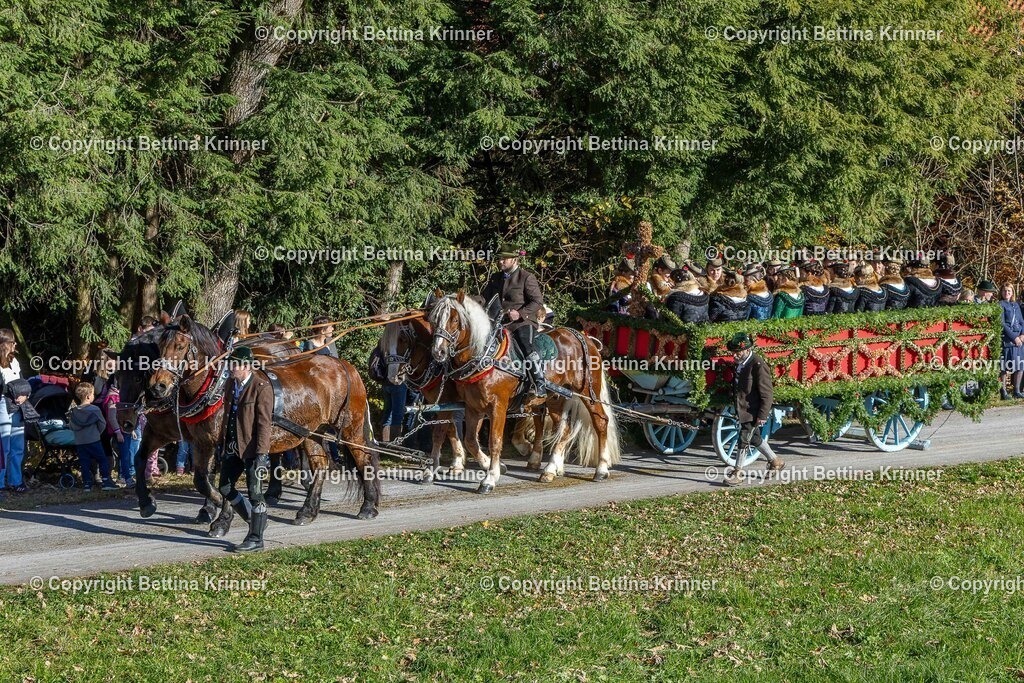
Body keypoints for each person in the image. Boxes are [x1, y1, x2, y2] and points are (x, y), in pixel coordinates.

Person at [217, 346, 274, 551]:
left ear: (247, 366)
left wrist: (262, 454)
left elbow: (264, 424)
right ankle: (253, 518)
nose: (231, 368)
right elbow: (226, 416)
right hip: (233, 445)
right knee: (224, 486)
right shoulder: (230, 384)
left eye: (235, 364)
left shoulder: (261, 386)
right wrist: (221, 443)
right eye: (230, 364)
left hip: (252, 449)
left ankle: (256, 538)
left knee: (255, 492)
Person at [481, 244, 547, 397]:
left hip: (522, 323)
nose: (501, 262)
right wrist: (465, 300)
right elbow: (484, 299)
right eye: (500, 259)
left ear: (515, 259)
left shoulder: (526, 277)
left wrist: (520, 313)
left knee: (525, 343)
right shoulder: (495, 278)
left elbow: (537, 301)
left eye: (504, 259)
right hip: (500, 323)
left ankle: (539, 382)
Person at [723, 333, 784, 486]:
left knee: (744, 439)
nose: (735, 355)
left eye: (738, 352)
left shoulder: (757, 364)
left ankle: (738, 472)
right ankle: (775, 461)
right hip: (743, 408)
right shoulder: (741, 362)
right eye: (733, 352)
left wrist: (762, 415)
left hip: (753, 410)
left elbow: (767, 393)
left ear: (747, 349)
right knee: (755, 438)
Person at [68, 382, 119, 491]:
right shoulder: (95, 410)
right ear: (88, 396)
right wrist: (96, 433)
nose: (93, 397)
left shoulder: (74, 412)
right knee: (102, 460)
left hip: (80, 441)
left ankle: (87, 484)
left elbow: (72, 427)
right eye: (92, 394)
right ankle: (106, 481)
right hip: (94, 440)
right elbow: (102, 424)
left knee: (84, 462)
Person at [0, 328, 27, 492]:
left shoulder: (14, 361)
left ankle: (15, 481)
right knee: (3, 446)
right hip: (2, 404)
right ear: (4, 344)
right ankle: (1, 483)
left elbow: (22, 381)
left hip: (17, 404)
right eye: (12, 341)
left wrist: (25, 395)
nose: (15, 344)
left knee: (17, 445)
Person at [998, 284, 1024, 401]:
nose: (1007, 292)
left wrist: (1022, 335)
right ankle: (1003, 391)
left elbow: (1022, 321)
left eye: (1009, 290)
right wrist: (1014, 337)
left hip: (1019, 339)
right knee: (1005, 367)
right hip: (1007, 339)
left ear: (1012, 292)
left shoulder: (1016, 305)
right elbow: (1002, 324)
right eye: (1004, 290)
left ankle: (1017, 390)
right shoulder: (1000, 305)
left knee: (1020, 366)